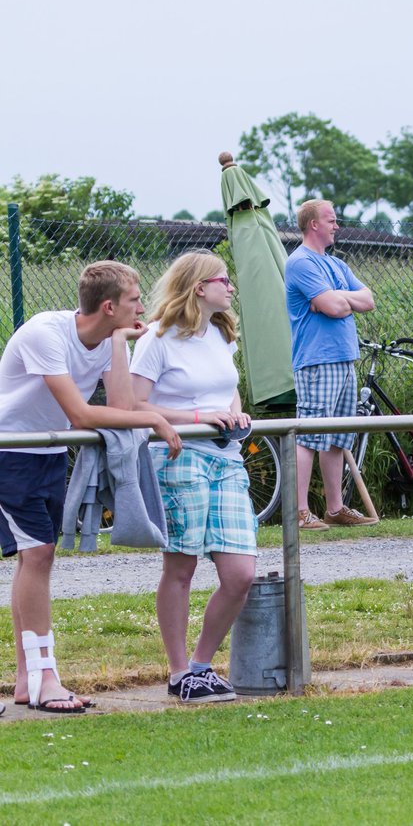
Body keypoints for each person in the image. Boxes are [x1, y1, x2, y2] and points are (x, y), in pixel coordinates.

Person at [0, 261, 181, 713]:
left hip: (48, 454)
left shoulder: (105, 338)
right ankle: (47, 678)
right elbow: (82, 414)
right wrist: (153, 417)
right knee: (38, 553)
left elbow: (119, 405)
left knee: (35, 556)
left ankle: (28, 680)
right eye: (135, 300)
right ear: (108, 305)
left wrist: (119, 340)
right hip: (9, 452)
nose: (143, 307)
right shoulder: (47, 333)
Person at [130, 250, 256, 703]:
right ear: (200, 287)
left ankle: (202, 665)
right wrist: (195, 416)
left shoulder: (221, 335)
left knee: (240, 573)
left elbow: (230, 389)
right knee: (181, 565)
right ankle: (178, 671)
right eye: (224, 280)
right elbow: (133, 405)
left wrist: (235, 414)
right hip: (179, 455)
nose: (231, 287)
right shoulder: (157, 338)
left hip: (227, 460)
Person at [284, 198, 378, 531]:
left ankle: (335, 508)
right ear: (313, 224)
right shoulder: (300, 263)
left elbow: (367, 299)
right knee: (310, 433)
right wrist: (335, 301)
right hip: (316, 360)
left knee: (338, 435)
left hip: (343, 357)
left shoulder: (336, 265)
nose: (336, 225)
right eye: (331, 220)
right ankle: (298, 511)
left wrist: (337, 298)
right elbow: (334, 307)